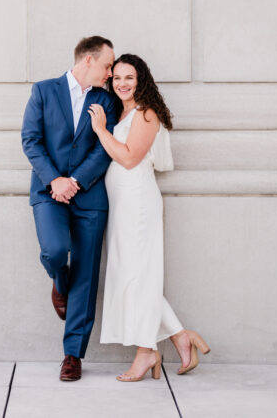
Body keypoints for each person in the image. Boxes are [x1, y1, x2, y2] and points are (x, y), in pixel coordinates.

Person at [87, 53, 211, 382]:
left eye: (129, 77)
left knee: (138, 277)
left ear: (141, 79)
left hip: (138, 203)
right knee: (130, 275)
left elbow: (128, 159)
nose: (122, 83)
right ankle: (178, 337)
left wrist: (100, 130)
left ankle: (146, 354)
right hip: (121, 204)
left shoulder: (146, 114)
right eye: (117, 78)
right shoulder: (121, 111)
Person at [21, 36, 117, 381]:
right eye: (107, 65)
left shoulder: (106, 100)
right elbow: (30, 140)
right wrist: (55, 181)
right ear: (88, 60)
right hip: (49, 194)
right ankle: (58, 282)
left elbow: (105, 148)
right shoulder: (44, 91)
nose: (110, 73)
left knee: (87, 276)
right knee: (55, 251)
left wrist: (74, 181)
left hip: (89, 198)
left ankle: (72, 355)